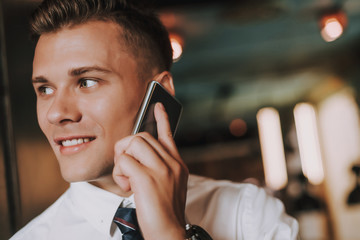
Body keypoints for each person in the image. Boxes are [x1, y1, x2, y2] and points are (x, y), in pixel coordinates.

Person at [11, 0, 299, 239]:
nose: (56, 113)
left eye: (87, 82)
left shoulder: (248, 215)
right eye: (45, 89)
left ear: (160, 93)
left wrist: (170, 234)